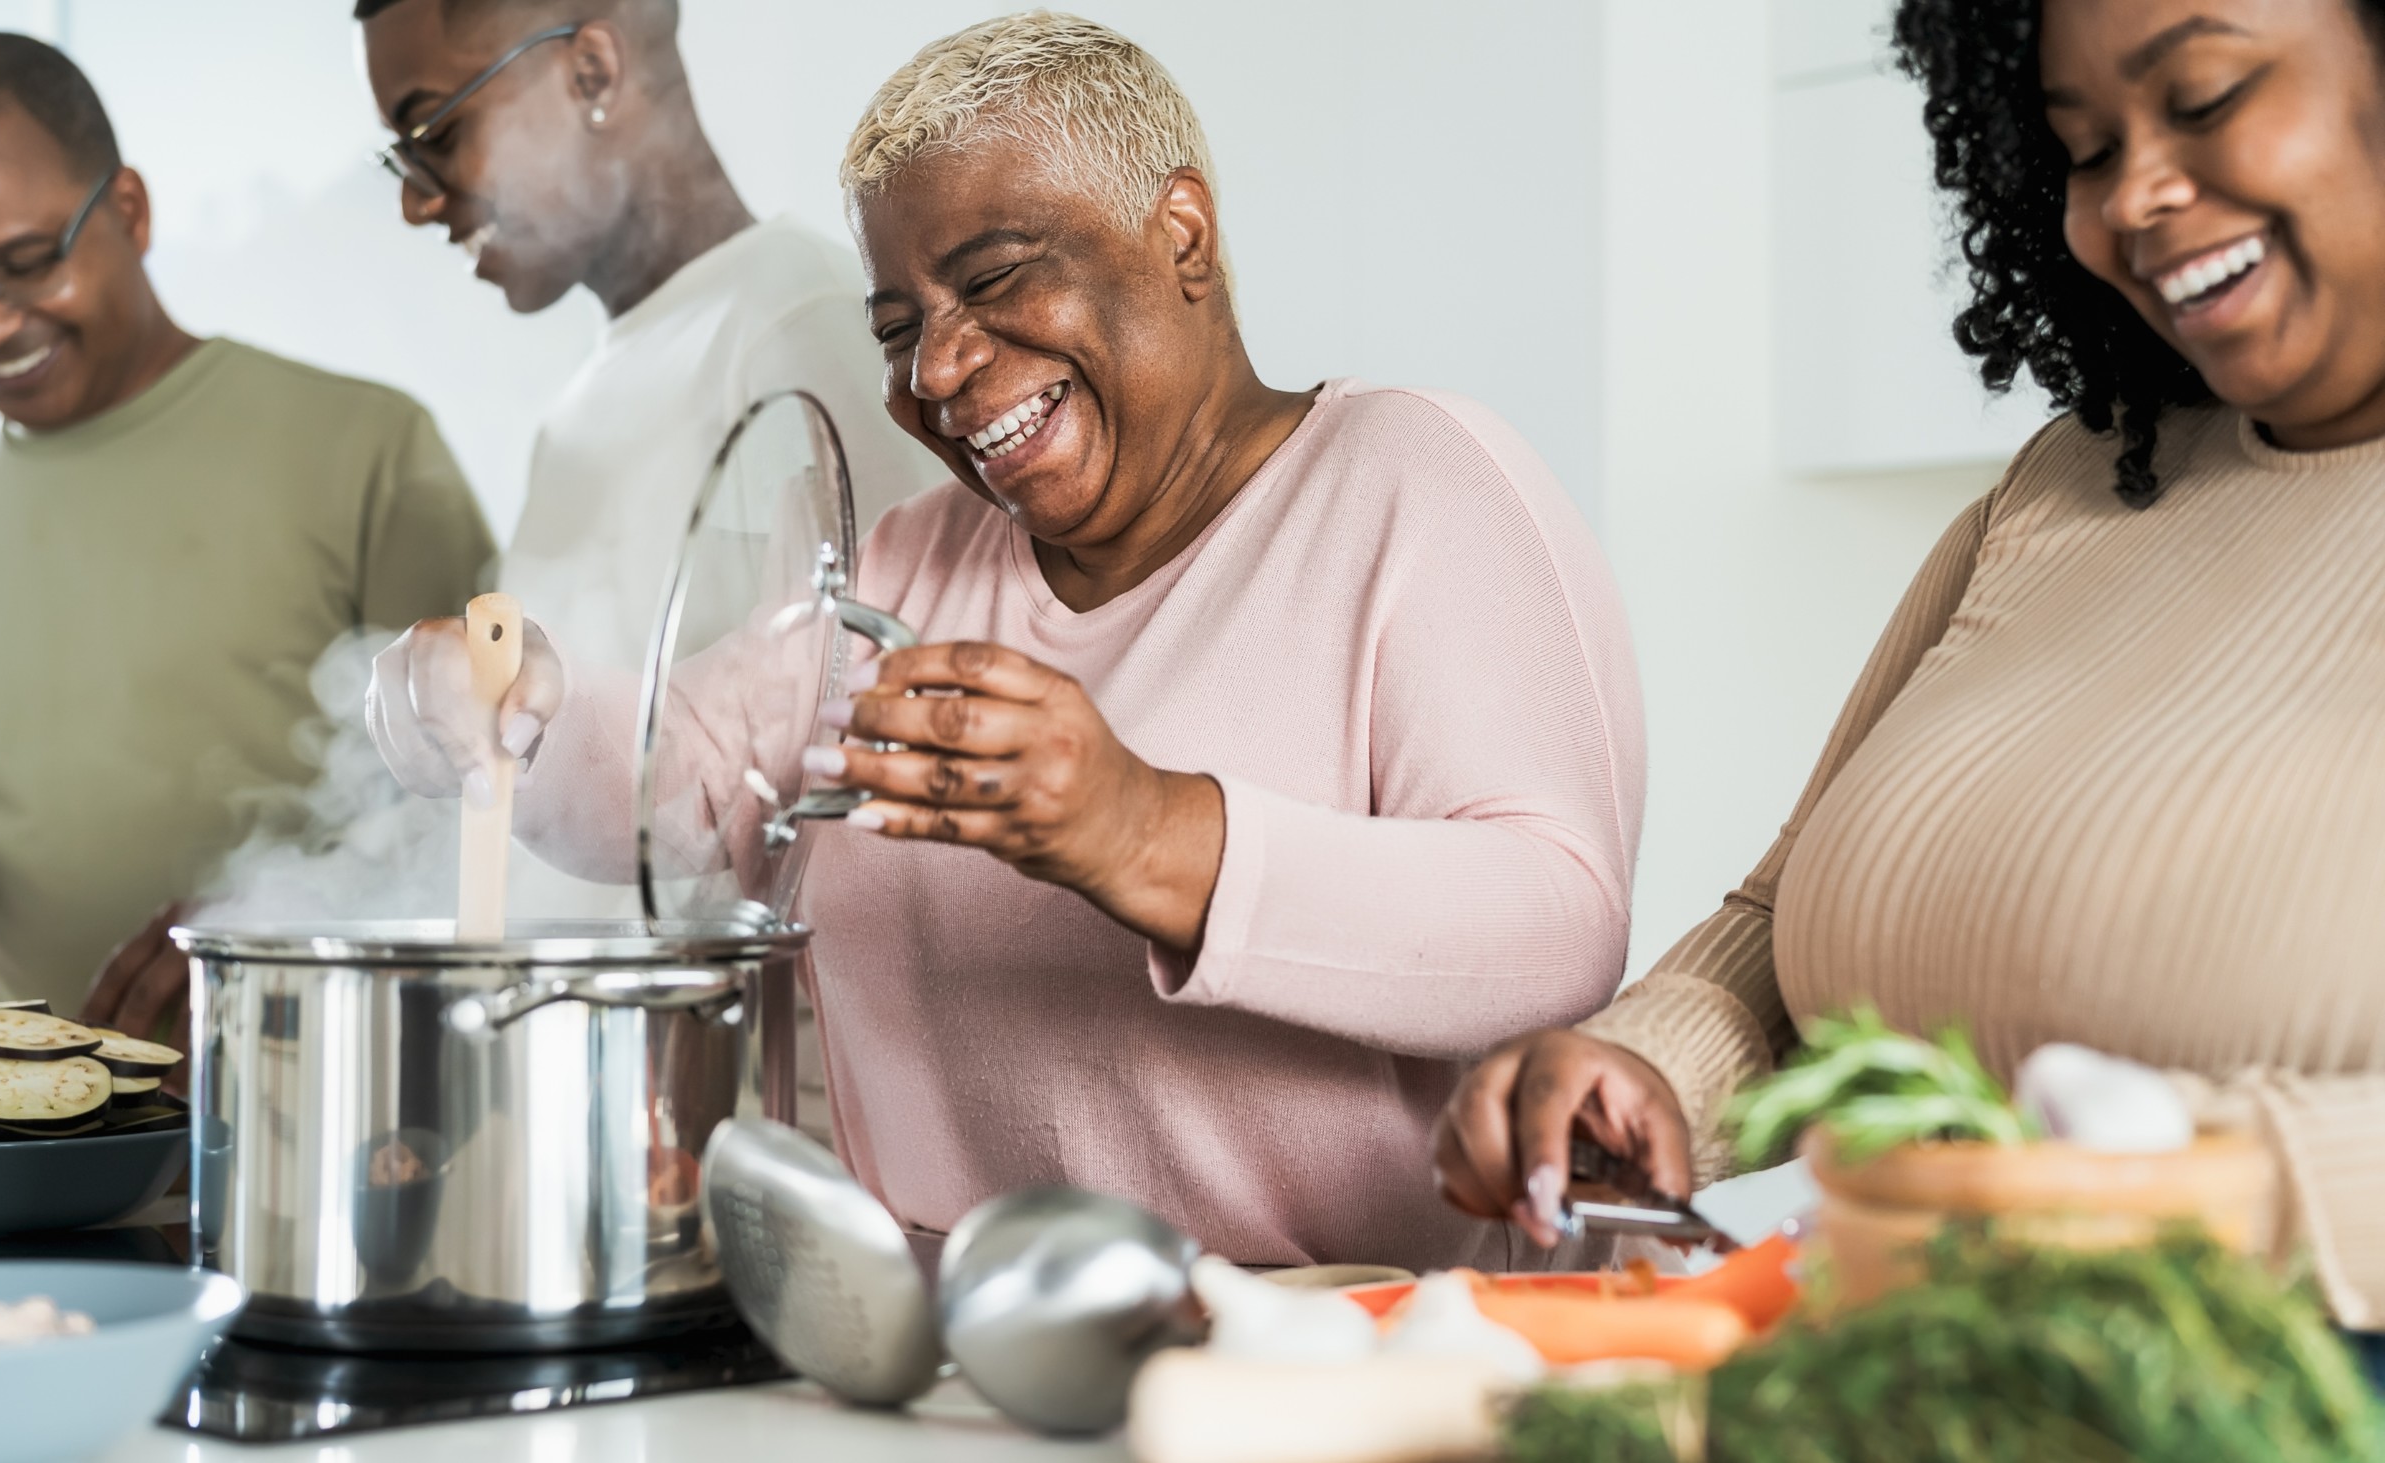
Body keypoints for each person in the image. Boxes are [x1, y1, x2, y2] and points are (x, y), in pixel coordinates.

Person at [369, 13, 1643, 1271]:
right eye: (894, 324)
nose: (938, 365)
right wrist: (518, 707)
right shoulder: (904, 558)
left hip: (1346, 1353)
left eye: (991, 280)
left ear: (1181, 235)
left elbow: (1553, 919)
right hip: (958, 1348)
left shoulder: (1412, 482)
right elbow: (688, 783)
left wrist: (1138, 828)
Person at [1434, 0, 2385, 1363]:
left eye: (2207, 96)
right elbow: (1792, 913)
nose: (2136, 199)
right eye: (2085, 147)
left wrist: (2219, 1177)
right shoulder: (2072, 486)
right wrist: (1648, 1066)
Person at [0, 35, 493, 1032]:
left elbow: (492, 808)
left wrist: (269, 944)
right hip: (20, 1152)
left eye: (23, 263)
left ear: (128, 212)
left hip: (328, 1125)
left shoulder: (368, 451)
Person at [355, 0, 943, 671]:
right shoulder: (571, 416)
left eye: (434, 133)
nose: (414, 203)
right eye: (397, 159)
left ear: (592, 75)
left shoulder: (798, 320)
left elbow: (910, 693)